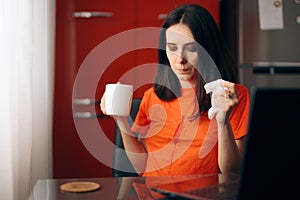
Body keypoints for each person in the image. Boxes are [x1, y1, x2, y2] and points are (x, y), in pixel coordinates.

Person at [100, 4, 250, 177]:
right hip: (152, 193)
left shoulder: (232, 96)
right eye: (172, 48)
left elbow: (232, 172)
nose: (180, 59)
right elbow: (141, 167)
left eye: (192, 49)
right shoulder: (153, 96)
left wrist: (223, 122)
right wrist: (121, 119)